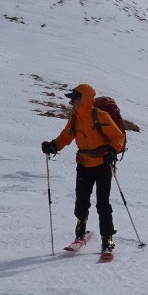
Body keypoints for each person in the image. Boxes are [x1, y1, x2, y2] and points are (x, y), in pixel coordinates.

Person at [41, 83, 127, 253]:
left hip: (102, 164)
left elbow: (118, 137)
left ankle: (107, 238)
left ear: (84, 99)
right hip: (84, 164)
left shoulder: (100, 116)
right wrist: (53, 146)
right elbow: (66, 136)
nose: (70, 103)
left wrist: (112, 150)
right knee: (81, 201)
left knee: (102, 204)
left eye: (73, 99)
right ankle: (80, 231)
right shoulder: (75, 118)